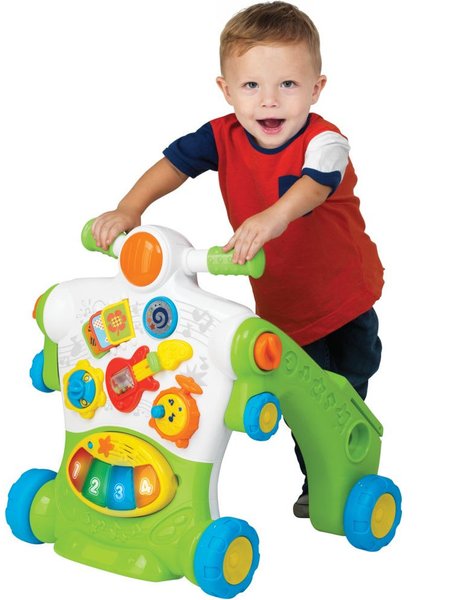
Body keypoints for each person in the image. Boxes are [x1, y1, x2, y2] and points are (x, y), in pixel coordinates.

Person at [91, 1, 383, 518]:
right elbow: (173, 165)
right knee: (307, 399)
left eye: (288, 85)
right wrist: (130, 208)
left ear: (316, 88)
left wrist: (272, 218)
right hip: (285, 304)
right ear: (226, 90)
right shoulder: (221, 135)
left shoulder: (326, 141)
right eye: (251, 86)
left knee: (352, 381)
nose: (269, 100)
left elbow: (314, 187)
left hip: (344, 295)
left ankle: (350, 463)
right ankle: (321, 477)